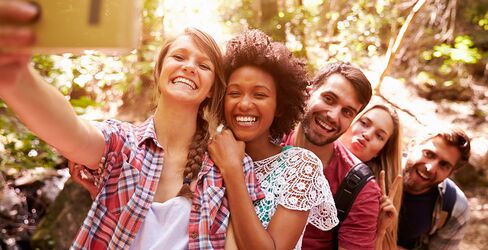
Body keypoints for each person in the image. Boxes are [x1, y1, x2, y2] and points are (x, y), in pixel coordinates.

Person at [0, 2, 229, 248]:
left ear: (212, 89)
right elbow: (72, 131)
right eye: (179, 56)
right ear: (159, 70)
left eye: (204, 65)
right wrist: (15, 76)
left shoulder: (225, 166)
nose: (189, 67)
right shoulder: (121, 143)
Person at [207, 29, 338, 249]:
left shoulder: (300, 167)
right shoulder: (208, 153)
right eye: (234, 93)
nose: (245, 104)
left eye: (259, 95)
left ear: (279, 106)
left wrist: (232, 170)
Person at [282, 61, 379, 249]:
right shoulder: (268, 136)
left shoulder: (360, 188)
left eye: (347, 112)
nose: (333, 116)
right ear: (308, 92)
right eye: (329, 99)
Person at [339, 104, 403, 250]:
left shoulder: (371, 196)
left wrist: (380, 232)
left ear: (379, 152)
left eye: (379, 136)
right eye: (364, 123)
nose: (367, 134)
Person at [397, 127, 471, 249]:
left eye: (444, 165)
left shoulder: (455, 208)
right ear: (412, 145)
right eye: (428, 154)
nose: (430, 168)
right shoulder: (372, 170)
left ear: (451, 173)